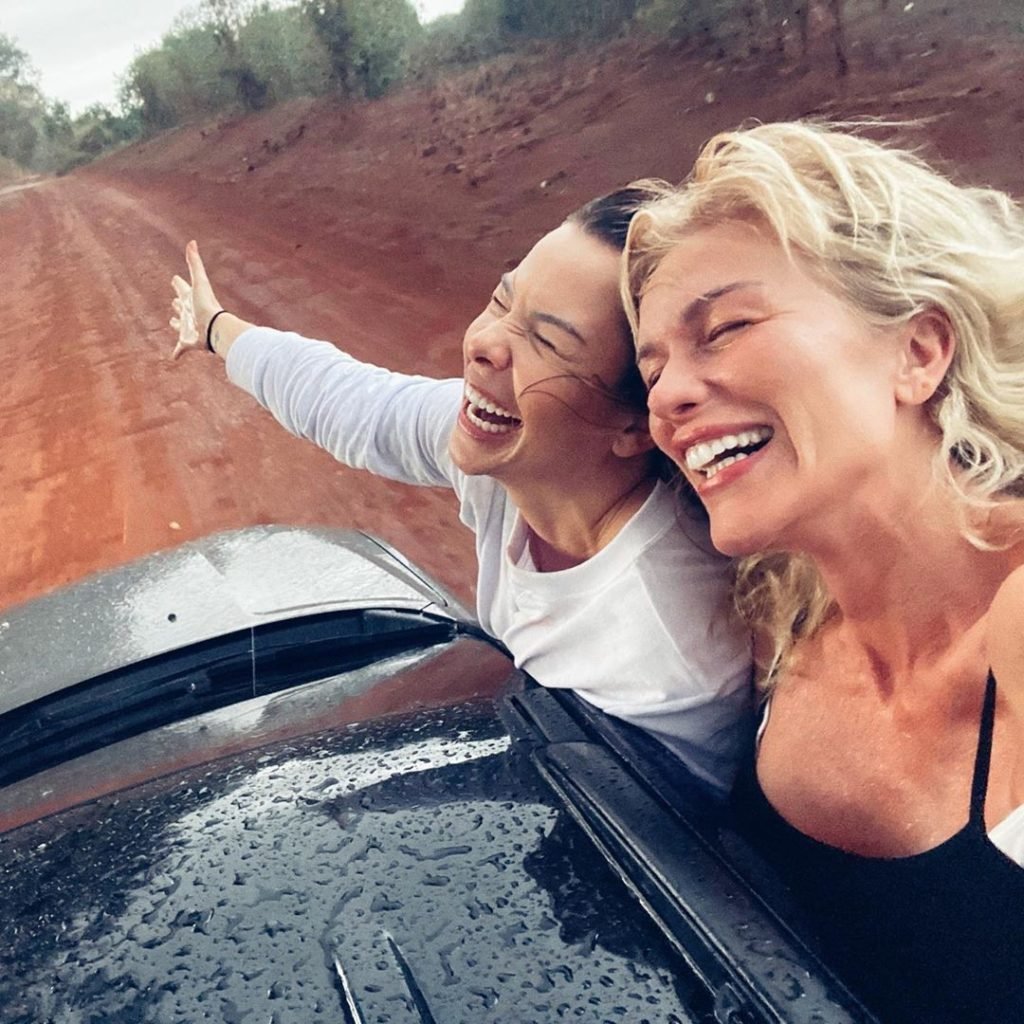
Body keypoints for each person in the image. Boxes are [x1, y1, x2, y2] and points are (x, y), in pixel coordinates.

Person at [624, 121, 1024, 1022]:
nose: (670, 397)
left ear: (918, 352)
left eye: (724, 328)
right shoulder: (778, 628)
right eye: (652, 371)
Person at [168, 187, 753, 794]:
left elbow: (641, 841)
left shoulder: (667, 653)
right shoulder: (514, 462)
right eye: (502, 301)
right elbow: (356, 404)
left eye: (547, 342)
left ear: (635, 425)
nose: (484, 343)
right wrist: (217, 329)